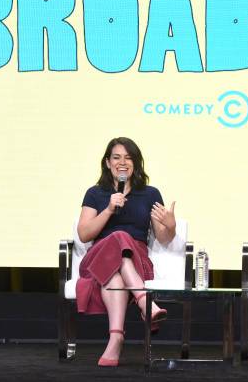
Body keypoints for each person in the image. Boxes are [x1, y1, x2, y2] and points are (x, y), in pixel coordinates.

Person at [75, 137, 176, 367]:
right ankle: (144, 301)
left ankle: (116, 337)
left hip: (136, 259)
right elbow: (83, 234)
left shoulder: (150, 194)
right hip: (98, 257)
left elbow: (164, 237)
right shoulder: (95, 194)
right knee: (118, 237)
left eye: (128, 158)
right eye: (117, 157)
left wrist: (170, 225)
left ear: (136, 163)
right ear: (108, 163)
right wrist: (109, 209)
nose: (123, 162)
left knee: (116, 266)